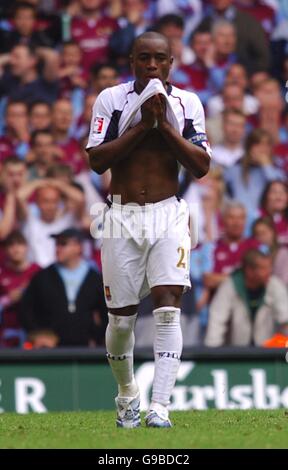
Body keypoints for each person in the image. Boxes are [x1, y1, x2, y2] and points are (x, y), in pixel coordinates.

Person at [86, 31, 211, 428]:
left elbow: (201, 165)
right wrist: (142, 127)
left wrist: (165, 127)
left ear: (171, 63)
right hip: (121, 216)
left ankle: (160, 407)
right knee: (120, 321)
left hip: (168, 214)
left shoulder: (188, 103)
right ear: (132, 61)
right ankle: (127, 395)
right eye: (145, 58)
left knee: (168, 307)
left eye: (160, 58)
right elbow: (96, 161)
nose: (152, 65)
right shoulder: (111, 99)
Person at [20, 228, 107, 347]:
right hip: (50, 351)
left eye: (63, 244)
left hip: (85, 349)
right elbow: (26, 310)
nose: (58, 249)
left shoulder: (94, 278)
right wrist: (38, 334)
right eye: (57, 244)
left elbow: (107, 313)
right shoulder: (43, 276)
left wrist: (98, 337)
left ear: (78, 247)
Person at [204, 248, 288, 346]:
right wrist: (212, 353)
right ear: (249, 270)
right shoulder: (229, 286)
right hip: (237, 353)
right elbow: (217, 321)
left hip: (268, 353)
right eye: (263, 268)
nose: (269, 272)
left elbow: (285, 319)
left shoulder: (274, 285)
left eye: (269, 268)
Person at [0, 230, 40, 348]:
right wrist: (8, 299)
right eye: (11, 245)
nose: (15, 249)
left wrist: (27, 292)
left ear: (26, 247)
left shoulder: (38, 272)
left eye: (19, 244)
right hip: (7, 332)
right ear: (5, 250)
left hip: (33, 332)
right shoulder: (2, 273)